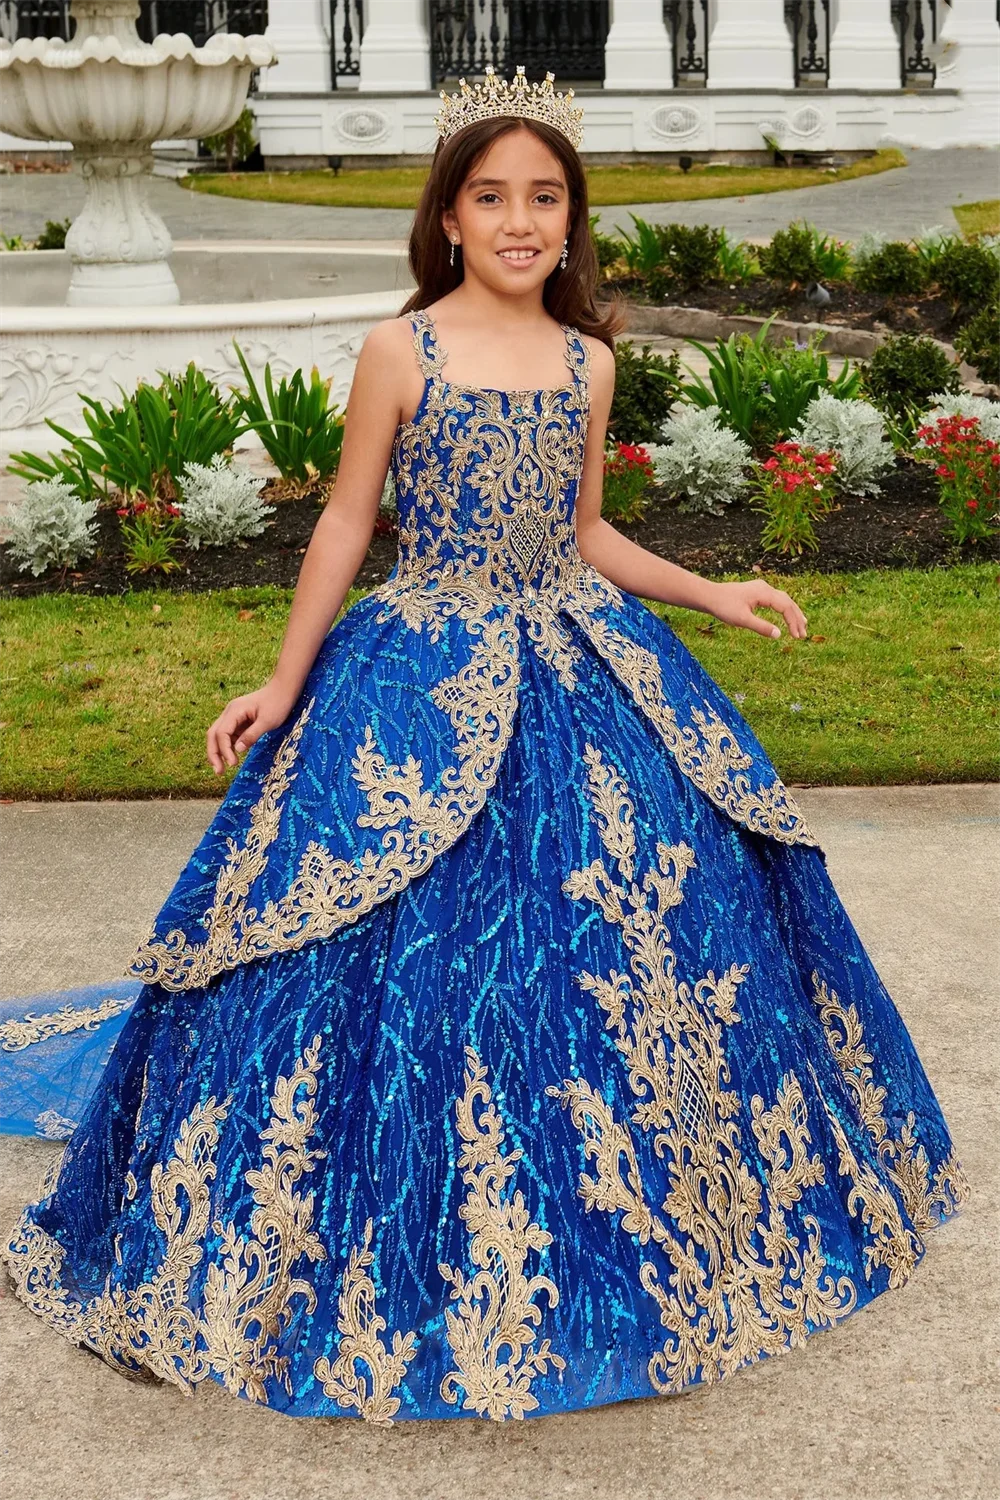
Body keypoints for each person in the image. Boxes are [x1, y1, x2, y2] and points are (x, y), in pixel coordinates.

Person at [0, 67, 968, 1426]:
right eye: (492, 196)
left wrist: (711, 590)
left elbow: (585, 534)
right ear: (448, 217)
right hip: (421, 656)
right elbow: (346, 522)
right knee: (380, 930)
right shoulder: (407, 350)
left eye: (546, 198)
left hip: (575, 654)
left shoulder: (589, 361)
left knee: (636, 925)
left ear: (572, 222)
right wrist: (284, 683)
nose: (521, 221)